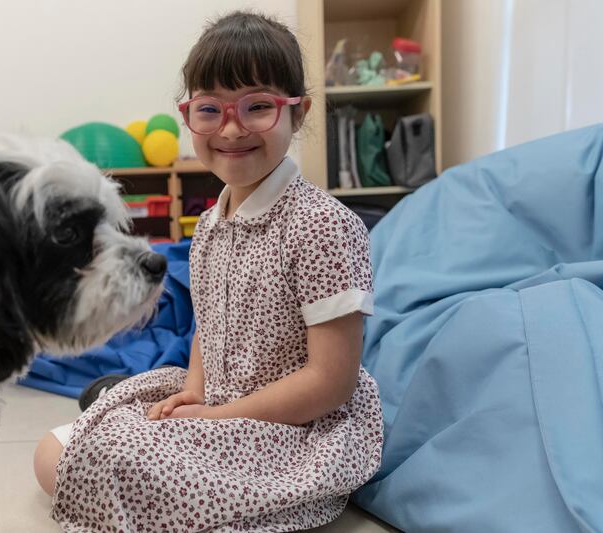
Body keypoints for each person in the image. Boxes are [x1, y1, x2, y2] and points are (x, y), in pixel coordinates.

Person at [34, 11, 383, 531]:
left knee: (70, 460)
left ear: (298, 111)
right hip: (220, 405)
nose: (232, 128)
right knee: (61, 445)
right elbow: (208, 323)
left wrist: (216, 419)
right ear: (188, 115)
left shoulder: (323, 227)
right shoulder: (213, 223)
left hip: (291, 434)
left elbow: (331, 382)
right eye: (210, 110)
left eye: (257, 106)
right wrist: (196, 390)